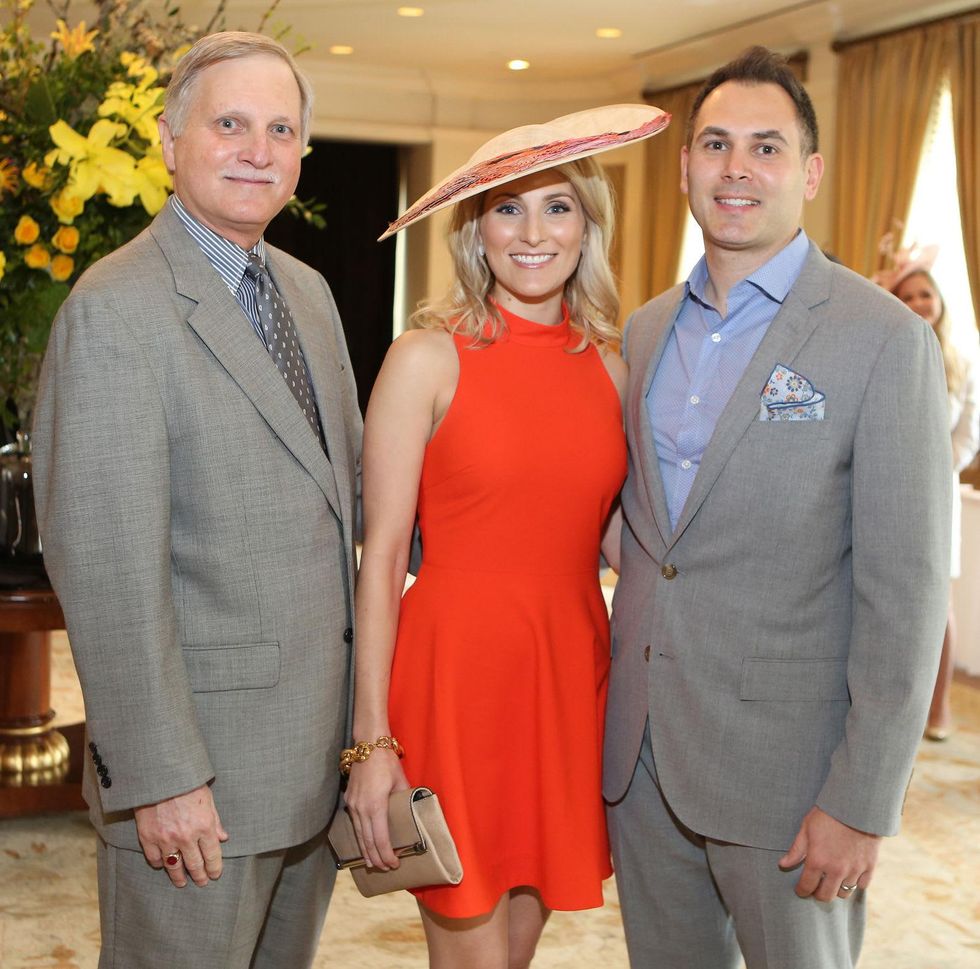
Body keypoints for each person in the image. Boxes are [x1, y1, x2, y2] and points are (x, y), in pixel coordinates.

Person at [604, 47, 951, 969]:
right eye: (715, 144)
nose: (737, 167)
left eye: (766, 146)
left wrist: (863, 800)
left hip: (790, 772)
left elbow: (906, 592)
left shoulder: (883, 340)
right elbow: (640, 531)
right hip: (642, 757)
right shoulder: (642, 332)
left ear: (811, 170)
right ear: (684, 168)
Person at [32, 31, 362, 969]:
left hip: (309, 765)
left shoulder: (310, 293)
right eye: (230, 123)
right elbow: (104, 571)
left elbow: (343, 507)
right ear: (172, 141)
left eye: (281, 128)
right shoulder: (114, 309)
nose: (259, 148)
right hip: (198, 783)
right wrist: (162, 778)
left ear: (302, 155)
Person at [343, 105, 669, 969]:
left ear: (587, 226)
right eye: (507, 208)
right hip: (454, 684)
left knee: (515, 952)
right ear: (474, 229)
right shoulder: (426, 358)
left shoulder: (611, 368)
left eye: (558, 207)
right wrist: (371, 743)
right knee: (474, 956)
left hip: (566, 685)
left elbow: (626, 545)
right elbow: (379, 562)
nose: (533, 232)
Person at [891, 267, 979, 740]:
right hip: (882, 483)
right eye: (907, 295)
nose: (919, 302)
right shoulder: (888, 349)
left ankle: (939, 708)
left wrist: (932, 468)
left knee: (935, 603)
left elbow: (969, 435)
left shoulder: (964, 362)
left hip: (936, 491)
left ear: (940, 299)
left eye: (926, 293)